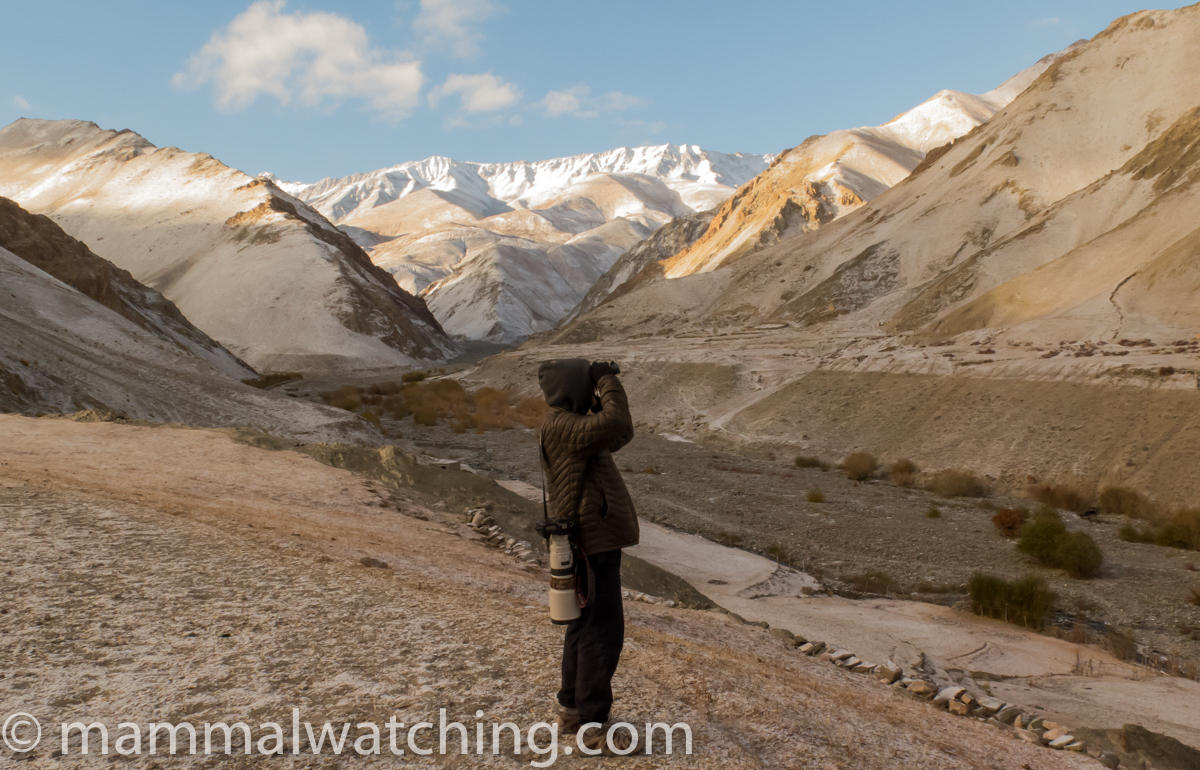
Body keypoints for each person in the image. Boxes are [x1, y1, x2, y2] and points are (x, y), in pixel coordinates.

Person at [536, 358, 638, 754]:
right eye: (586, 383)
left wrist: (598, 397)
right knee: (602, 632)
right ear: (573, 388)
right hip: (592, 540)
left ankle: (572, 709)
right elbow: (613, 425)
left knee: (584, 626)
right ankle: (593, 729)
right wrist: (606, 379)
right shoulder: (564, 426)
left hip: (588, 537)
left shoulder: (569, 425)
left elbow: (621, 432)